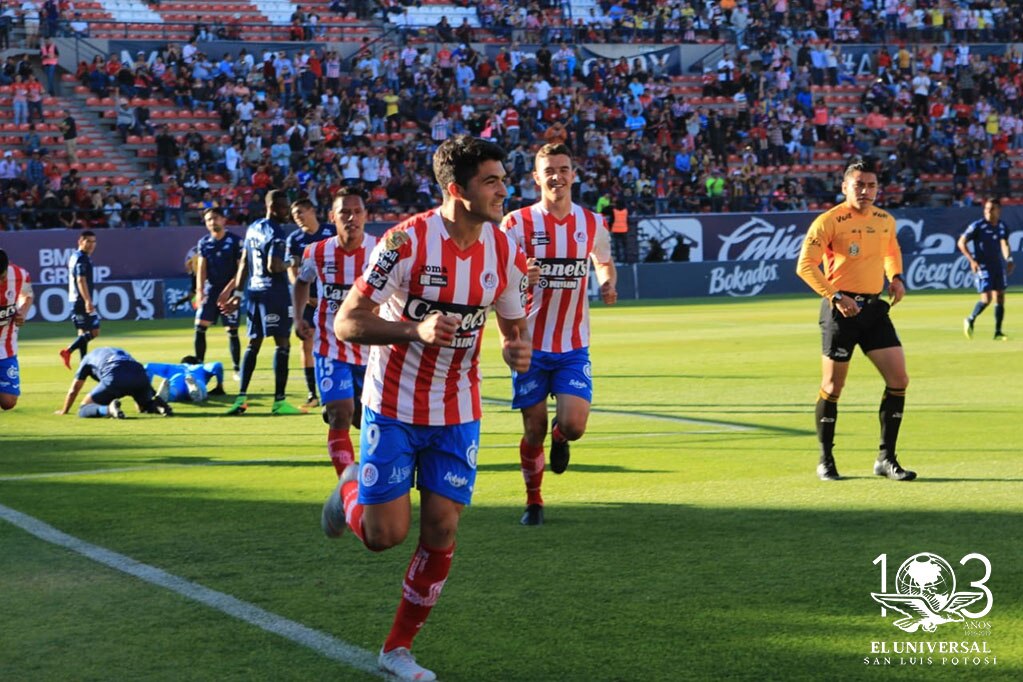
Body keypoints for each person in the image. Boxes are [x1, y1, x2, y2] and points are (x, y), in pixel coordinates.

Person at [320, 136, 531, 682]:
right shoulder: (404, 242)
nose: (504, 190)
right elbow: (347, 322)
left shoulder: (505, 250)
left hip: (459, 409)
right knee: (381, 536)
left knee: (442, 526)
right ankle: (348, 487)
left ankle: (398, 649)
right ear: (457, 190)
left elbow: (512, 322)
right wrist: (414, 328)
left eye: (504, 179)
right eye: (492, 181)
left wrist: (515, 347)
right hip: (391, 405)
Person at [499, 143, 618, 526]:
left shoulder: (592, 222)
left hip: (572, 345)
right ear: (536, 177)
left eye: (563, 169)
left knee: (574, 425)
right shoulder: (516, 224)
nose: (557, 176)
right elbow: (498, 281)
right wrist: (522, 276)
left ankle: (562, 437)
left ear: (573, 173)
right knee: (532, 430)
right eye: (549, 170)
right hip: (529, 344)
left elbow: (603, 260)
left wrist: (607, 282)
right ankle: (534, 501)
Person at [796, 160, 915, 482]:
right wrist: (836, 296)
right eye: (859, 185)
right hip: (840, 310)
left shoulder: (884, 220)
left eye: (871, 185)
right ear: (845, 187)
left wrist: (896, 277)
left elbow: (892, 250)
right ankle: (826, 459)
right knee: (833, 386)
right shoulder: (829, 221)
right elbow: (806, 266)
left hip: (873, 310)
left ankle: (886, 459)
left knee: (899, 379)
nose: (865, 191)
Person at [292, 188, 376, 476]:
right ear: (332, 217)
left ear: (366, 216)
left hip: (372, 349)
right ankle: (346, 483)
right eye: (344, 212)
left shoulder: (380, 252)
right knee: (342, 412)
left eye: (356, 212)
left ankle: (371, 473)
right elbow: (302, 282)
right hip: (331, 345)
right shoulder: (316, 251)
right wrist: (298, 317)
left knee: (365, 420)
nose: (351, 218)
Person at [218, 189, 304, 415]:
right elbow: (273, 266)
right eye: (285, 207)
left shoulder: (254, 227)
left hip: (254, 293)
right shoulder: (276, 233)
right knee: (282, 345)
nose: (288, 212)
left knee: (252, 344)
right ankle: (279, 402)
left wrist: (237, 294)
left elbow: (245, 262)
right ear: (274, 207)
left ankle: (241, 398)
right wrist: (293, 261)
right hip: (274, 293)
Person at [286, 197, 337, 409]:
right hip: (308, 300)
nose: (297, 217)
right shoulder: (295, 239)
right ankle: (311, 393)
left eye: (300, 212)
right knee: (306, 344)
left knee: (336, 343)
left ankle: (337, 390)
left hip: (333, 299)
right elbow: (293, 271)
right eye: (294, 214)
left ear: (311, 211)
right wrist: (307, 297)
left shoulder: (330, 232)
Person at [55, 347, 173, 418]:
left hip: (115, 376)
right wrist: (151, 393)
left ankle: (108, 409)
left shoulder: (87, 359)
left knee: (83, 409)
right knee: (144, 406)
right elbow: (136, 371)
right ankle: (157, 405)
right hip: (139, 374)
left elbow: (74, 390)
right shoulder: (118, 351)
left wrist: (64, 410)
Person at [194, 207, 243, 380]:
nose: (212, 222)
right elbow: (201, 268)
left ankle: (237, 369)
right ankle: (198, 366)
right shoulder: (204, 243)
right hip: (211, 289)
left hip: (230, 290)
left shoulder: (235, 241)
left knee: (232, 330)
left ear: (223, 220)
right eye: (208, 220)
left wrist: (229, 290)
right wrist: (199, 291)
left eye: (215, 218)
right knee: (200, 327)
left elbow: (241, 270)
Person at [959, 198, 1015, 340]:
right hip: (983, 267)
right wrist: (972, 261)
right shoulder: (977, 226)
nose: (988, 212)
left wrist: (1009, 259)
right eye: (986, 209)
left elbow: (1004, 243)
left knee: (1000, 297)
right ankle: (970, 319)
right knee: (987, 299)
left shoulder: (1002, 226)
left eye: (991, 209)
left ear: (998, 211)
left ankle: (998, 332)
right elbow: (961, 242)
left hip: (997, 266)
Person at [59, 231, 100, 369]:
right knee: (94, 332)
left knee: (83, 333)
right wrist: (88, 300)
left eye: (93, 242)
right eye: (88, 241)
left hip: (76, 299)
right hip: (80, 300)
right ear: (80, 241)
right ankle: (68, 351)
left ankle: (84, 365)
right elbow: (81, 280)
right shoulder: (82, 258)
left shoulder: (75, 256)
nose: (91, 245)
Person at [0, 249, 34, 411]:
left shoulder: (21, 274)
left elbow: (27, 294)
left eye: (2, 277)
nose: (0, 282)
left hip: (6, 346)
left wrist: (23, 311)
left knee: (8, 402)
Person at [146, 356, 225, 404]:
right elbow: (217, 365)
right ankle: (195, 389)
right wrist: (219, 386)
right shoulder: (200, 367)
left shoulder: (172, 367)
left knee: (173, 391)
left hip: (176, 378)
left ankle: (165, 393)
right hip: (195, 378)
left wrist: (148, 390)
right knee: (199, 387)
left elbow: (148, 366)